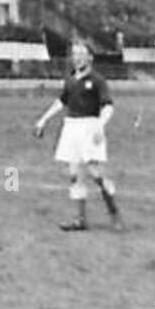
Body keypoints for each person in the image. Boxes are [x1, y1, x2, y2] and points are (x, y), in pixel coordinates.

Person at [33, 42, 122, 231]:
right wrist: (43, 120)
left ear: (90, 57)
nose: (78, 57)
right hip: (71, 128)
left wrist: (100, 126)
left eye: (82, 54)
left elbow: (108, 106)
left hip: (89, 127)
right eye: (75, 54)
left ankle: (114, 214)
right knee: (74, 175)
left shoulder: (97, 81)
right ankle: (80, 219)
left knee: (97, 174)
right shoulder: (71, 79)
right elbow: (61, 102)